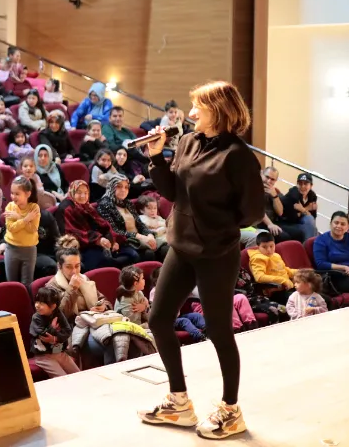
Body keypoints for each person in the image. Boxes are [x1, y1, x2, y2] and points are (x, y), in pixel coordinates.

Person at [139, 81, 263, 439]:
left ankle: (231, 411)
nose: (191, 113)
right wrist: (156, 156)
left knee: (220, 330)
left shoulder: (238, 157)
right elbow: (172, 191)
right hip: (181, 246)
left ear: (219, 112)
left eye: (199, 107)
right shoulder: (189, 142)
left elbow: (251, 211)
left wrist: (213, 223)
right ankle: (179, 402)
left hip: (216, 253)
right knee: (159, 318)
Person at [55, 180, 135, 270]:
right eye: (79, 192)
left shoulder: (87, 206)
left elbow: (103, 224)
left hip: (99, 242)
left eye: (86, 193)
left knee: (132, 254)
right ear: (72, 192)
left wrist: (112, 239)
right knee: (105, 262)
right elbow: (72, 233)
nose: (83, 196)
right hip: (81, 247)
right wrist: (98, 239)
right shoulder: (66, 208)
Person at [98, 174, 163, 262]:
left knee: (165, 248)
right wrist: (140, 237)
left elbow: (140, 224)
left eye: (126, 187)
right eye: (119, 186)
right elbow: (115, 230)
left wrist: (150, 235)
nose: (123, 190)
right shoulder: (104, 204)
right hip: (123, 241)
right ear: (112, 186)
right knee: (148, 253)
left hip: (138, 238)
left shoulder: (128, 203)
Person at [30, 285, 79, 378]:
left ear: (53, 306)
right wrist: (52, 327)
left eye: (41, 303)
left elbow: (68, 330)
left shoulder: (58, 313)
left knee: (78, 374)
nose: (37, 305)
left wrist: (55, 338)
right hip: (43, 356)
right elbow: (42, 334)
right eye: (36, 301)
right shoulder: (36, 317)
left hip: (59, 352)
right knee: (62, 378)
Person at [3, 176, 40, 286]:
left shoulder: (34, 208)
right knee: (12, 283)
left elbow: (32, 229)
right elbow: (11, 228)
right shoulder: (10, 207)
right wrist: (25, 219)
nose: (13, 197)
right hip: (12, 248)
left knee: (27, 283)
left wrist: (19, 218)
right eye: (12, 193)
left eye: (17, 194)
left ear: (28, 194)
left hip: (29, 250)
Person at [248, 232, 296, 304]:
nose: (269, 250)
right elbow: (259, 277)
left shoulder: (276, 255)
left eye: (271, 246)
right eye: (264, 247)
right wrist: (282, 280)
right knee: (299, 299)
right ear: (258, 247)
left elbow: (283, 269)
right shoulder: (257, 258)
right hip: (274, 292)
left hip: (287, 287)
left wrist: (300, 272)